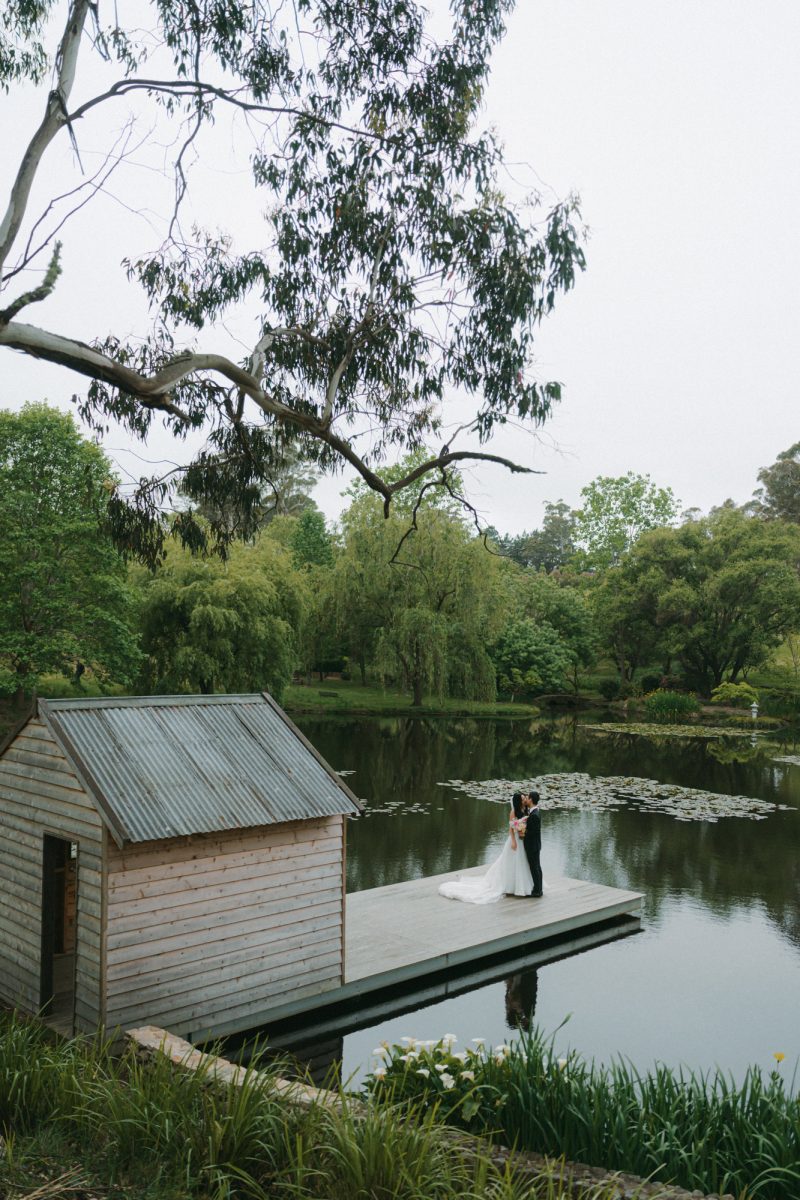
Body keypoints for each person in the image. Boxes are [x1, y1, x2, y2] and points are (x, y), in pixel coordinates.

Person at [438, 792, 534, 904]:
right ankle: (509, 886)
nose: (524, 800)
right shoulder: (513, 812)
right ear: (518, 801)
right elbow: (511, 829)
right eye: (522, 799)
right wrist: (513, 841)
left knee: (522, 862)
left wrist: (524, 830)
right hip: (515, 841)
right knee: (511, 862)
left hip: (522, 840)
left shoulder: (525, 811)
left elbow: (523, 826)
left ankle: (522, 885)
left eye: (524, 798)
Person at [522, 791, 543, 897]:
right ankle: (538, 889)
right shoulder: (534, 812)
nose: (526, 799)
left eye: (527, 798)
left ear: (530, 799)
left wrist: (523, 831)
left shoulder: (534, 815)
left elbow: (532, 832)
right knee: (537, 867)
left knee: (535, 868)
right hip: (535, 845)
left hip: (533, 846)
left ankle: (537, 891)